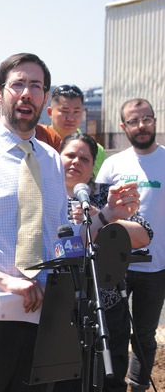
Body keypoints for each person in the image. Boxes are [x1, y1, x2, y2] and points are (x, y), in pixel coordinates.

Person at [0, 53, 134, 392]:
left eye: (36, 86)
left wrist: (106, 216)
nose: (26, 93)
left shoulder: (49, 160)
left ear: (45, 100)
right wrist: (5, 281)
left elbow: (60, 240)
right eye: (17, 84)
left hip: (42, 317)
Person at [56, 132, 149, 392]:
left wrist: (104, 218)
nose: (76, 162)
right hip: (57, 308)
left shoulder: (105, 196)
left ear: (93, 166)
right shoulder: (42, 195)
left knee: (109, 380)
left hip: (106, 304)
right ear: (57, 157)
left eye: (84, 158)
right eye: (70, 155)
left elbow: (143, 236)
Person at [96, 98, 165, 392]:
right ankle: (112, 384)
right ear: (124, 127)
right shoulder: (113, 164)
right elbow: (98, 213)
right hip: (115, 266)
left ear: (155, 120)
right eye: (134, 121)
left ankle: (138, 386)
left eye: (146, 119)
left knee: (145, 335)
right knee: (114, 331)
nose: (141, 126)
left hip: (157, 265)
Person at [47, 85, 105, 175]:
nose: (70, 118)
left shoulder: (96, 150)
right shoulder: (36, 143)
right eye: (65, 111)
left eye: (76, 112)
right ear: (50, 112)